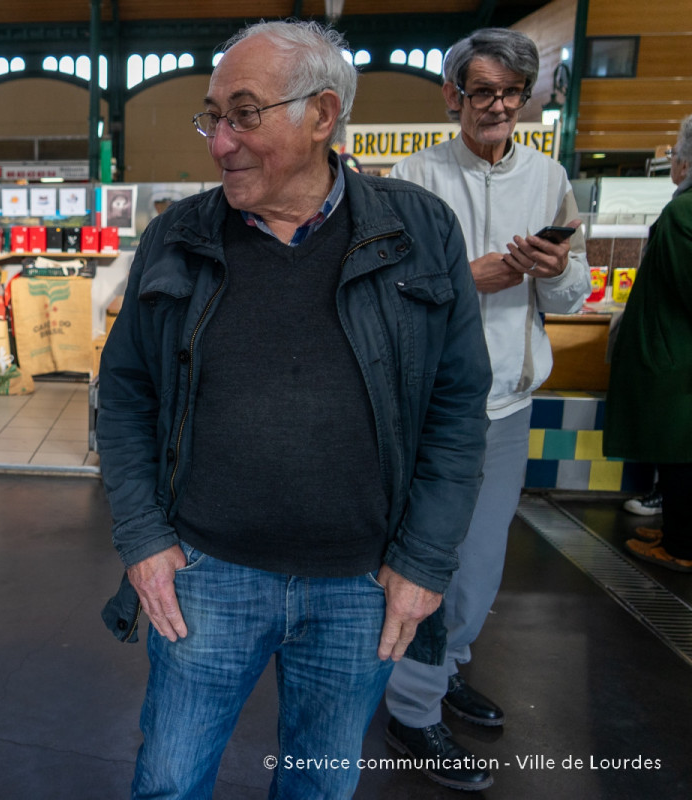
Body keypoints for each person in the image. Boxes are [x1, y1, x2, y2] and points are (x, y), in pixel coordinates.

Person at [97, 20, 492, 799]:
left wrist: (423, 562)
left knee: (319, 785)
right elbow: (126, 394)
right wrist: (143, 540)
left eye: (244, 113)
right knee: (170, 781)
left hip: (362, 586)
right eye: (213, 114)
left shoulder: (418, 231)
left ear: (322, 115)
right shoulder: (177, 238)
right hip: (204, 578)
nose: (219, 142)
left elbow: (456, 409)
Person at [383, 28, 591, 791]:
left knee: (483, 566)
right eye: (483, 92)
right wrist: (465, 278)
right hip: (435, 406)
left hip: (509, 403)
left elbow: (572, 296)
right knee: (433, 560)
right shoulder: (413, 178)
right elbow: (389, 294)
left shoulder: (548, 176)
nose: (499, 107)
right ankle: (411, 707)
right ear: (452, 97)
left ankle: (447, 669)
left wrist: (558, 268)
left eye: (513, 94)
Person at [604, 113, 692, 571]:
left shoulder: (683, 211)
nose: (675, 162)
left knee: (679, 453)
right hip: (675, 352)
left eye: (677, 154)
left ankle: (680, 544)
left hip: (676, 356)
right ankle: (679, 529)